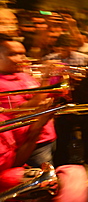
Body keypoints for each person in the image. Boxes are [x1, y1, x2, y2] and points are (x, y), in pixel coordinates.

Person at [0, 34, 56, 167]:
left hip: (47, 134)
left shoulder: (23, 74)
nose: (22, 59)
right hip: (31, 141)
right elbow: (24, 109)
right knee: (45, 182)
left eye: (23, 54)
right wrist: (46, 78)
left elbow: (42, 97)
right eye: (14, 54)